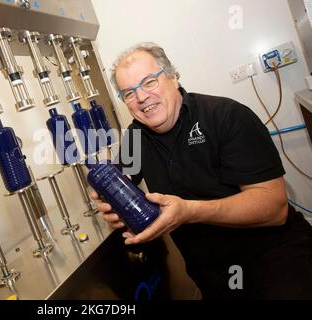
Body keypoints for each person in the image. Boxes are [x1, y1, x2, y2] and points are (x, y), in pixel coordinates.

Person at [90, 42, 312, 299]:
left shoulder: (226, 116)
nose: (140, 98)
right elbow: (118, 183)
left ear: (173, 76)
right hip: (211, 273)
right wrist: (111, 204)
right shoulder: (134, 139)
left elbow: (274, 208)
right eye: (128, 93)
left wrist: (189, 211)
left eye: (149, 82)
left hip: (274, 257)